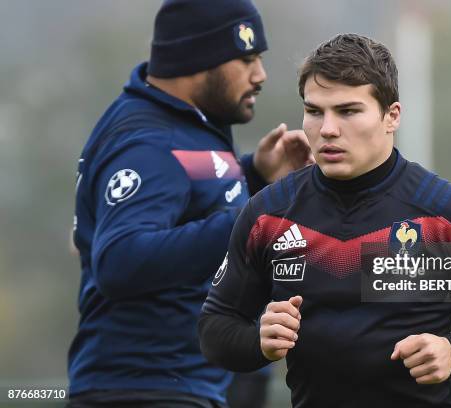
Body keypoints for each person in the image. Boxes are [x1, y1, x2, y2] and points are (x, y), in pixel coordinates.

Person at [199, 33, 451, 408]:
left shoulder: (448, 215)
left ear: (392, 116)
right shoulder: (269, 215)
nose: (327, 129)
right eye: (314, 111)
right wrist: (258, 341)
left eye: (348, 111)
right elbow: (215, 328)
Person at [67, 0, 312, 407]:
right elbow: (120, 260)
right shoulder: (147, 141)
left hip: (180, 387)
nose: (260, 75)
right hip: (143, 391)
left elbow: (188, 200)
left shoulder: (184, 123)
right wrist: (258, 217)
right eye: (247, 59)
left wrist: (256, 175)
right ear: (201, 57)